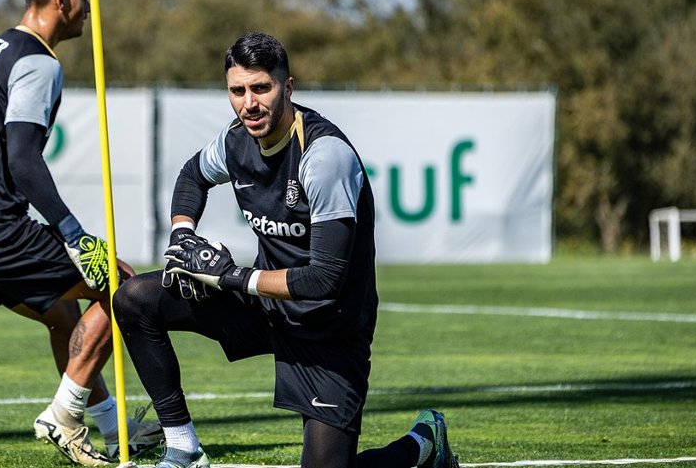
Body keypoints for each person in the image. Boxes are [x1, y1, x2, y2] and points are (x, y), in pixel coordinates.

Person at [113, 32, 460, 468]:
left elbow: (324, 280)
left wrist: (230, 276)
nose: (249, 103)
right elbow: (191, 176)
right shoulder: (235, 140)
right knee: (133, 300)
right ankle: (184, 446)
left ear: (288, 87)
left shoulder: (325, 155)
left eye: (262, 88)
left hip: (329, 328)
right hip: (264, 307)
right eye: (237, 91)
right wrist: (183, 236)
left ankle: (422, 446)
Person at [0, 0, 161, 466]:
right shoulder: (38, 61)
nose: (88, 12)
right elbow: (23, 157)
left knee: (64, 314)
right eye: (85, 1)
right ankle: (63, 414)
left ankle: (114, 429)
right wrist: (75, 234)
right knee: (123, 283)